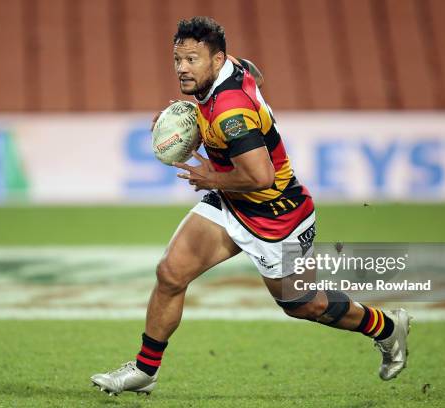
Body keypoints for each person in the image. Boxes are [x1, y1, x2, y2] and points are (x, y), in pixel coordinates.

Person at [91, 16, 411, 396]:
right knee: (171, 273)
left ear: (216, 59)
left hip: (277, 215)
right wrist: (191, 122)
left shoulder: (231, 113)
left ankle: (387, 327)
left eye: (192, 60)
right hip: (232, 202)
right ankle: (145, 371)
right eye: (178, 59)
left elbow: (261, 177)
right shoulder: (231, 69)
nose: (182, 68)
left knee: (303, 304)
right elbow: (253, 74)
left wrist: (211, 177)